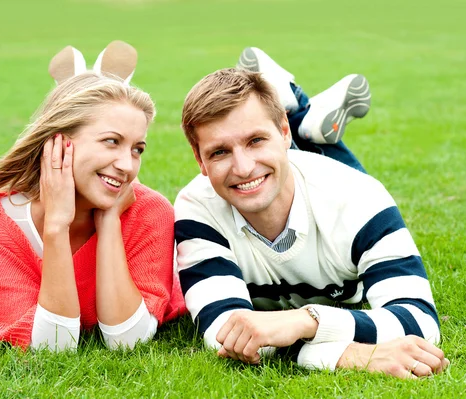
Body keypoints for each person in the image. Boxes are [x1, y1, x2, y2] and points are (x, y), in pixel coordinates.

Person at [174, 47, 449, 379]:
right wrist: (350, 354)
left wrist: (305, 321)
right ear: (199, 160)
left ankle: (297, 106)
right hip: (308, 184)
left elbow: (420, 321)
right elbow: (224, 334)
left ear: (283, 133)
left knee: (324, 184)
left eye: (256, 140)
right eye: (219, 151)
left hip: (324, 184)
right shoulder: (197, 207)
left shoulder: (358, 195)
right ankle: (300, 106)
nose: (243, 167)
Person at [0, 47, 185, 351]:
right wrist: (56, 226)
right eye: (111, 141)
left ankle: (86, 85)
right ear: (58, 143)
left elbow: (128, 340)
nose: (128, 166)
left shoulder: (150, 210)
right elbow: (54, 346)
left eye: (137, 149)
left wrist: (110, 220)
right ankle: (84, 85)